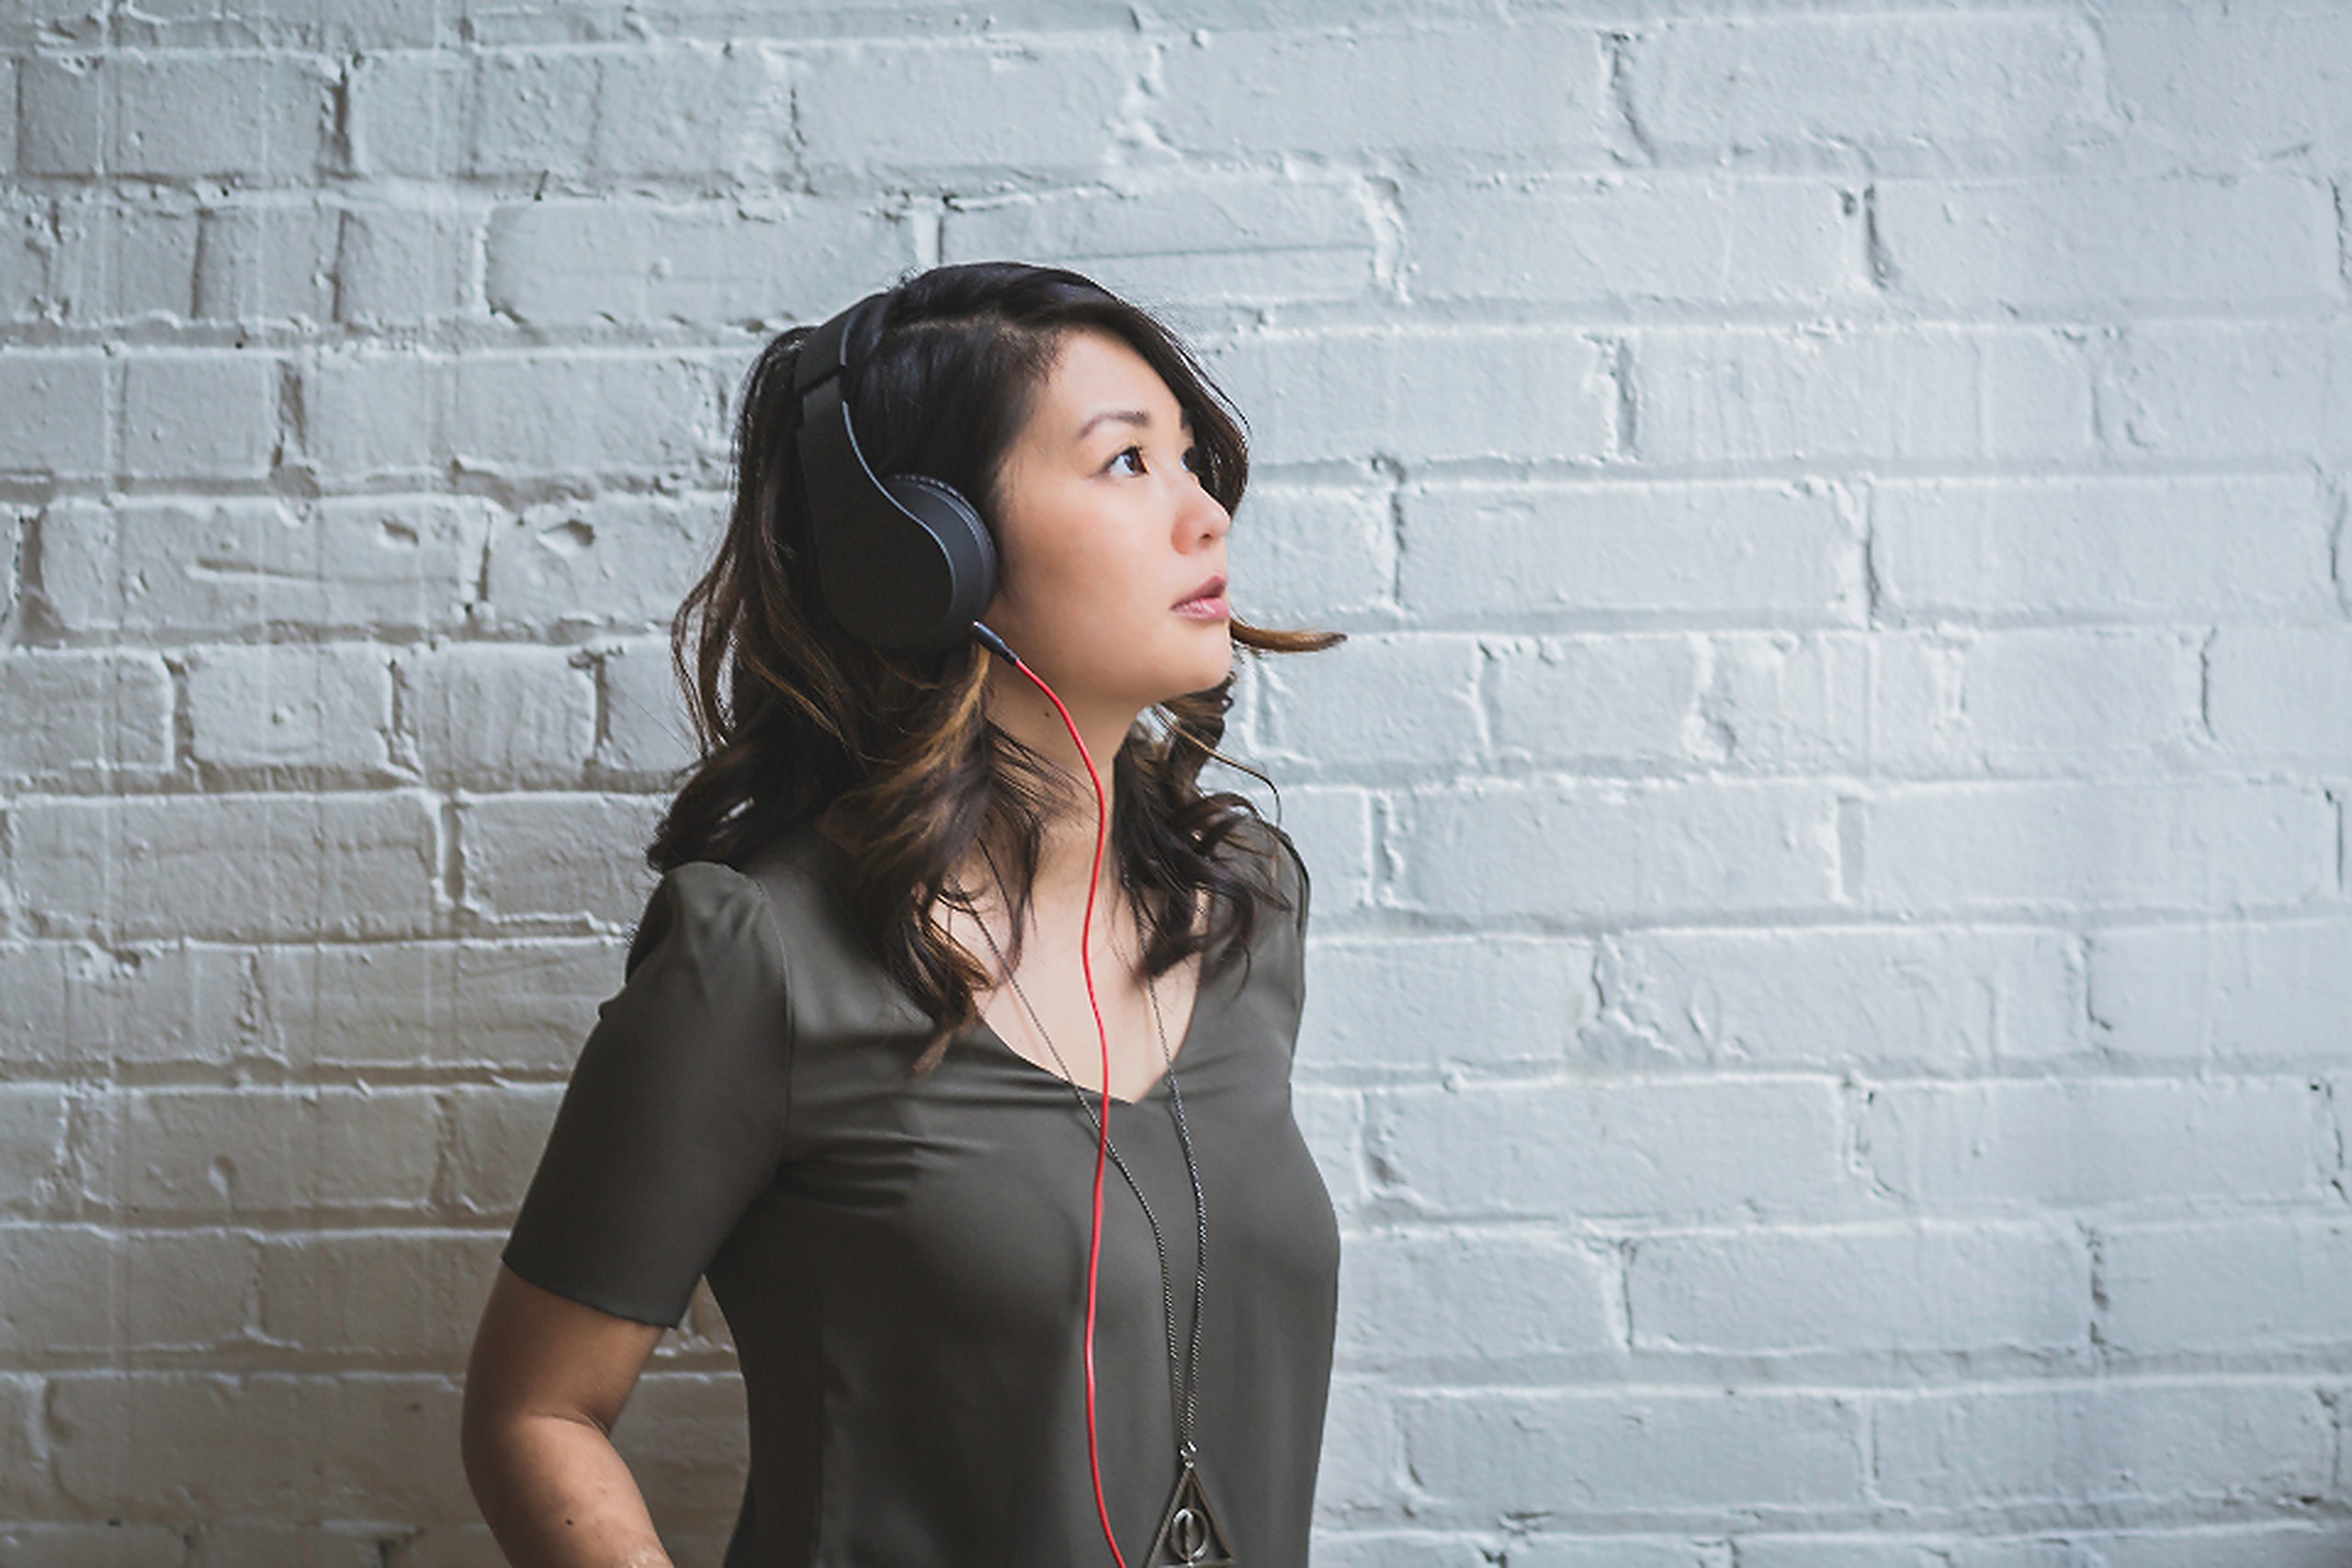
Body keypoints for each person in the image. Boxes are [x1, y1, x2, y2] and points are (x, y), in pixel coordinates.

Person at [458, 261, 1348, 1568]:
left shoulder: (1245, 907)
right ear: (926, 555)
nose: (1206, 513)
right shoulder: (759, 956)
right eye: (1126, 464)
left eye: (1192, 460)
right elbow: (536, 1411)